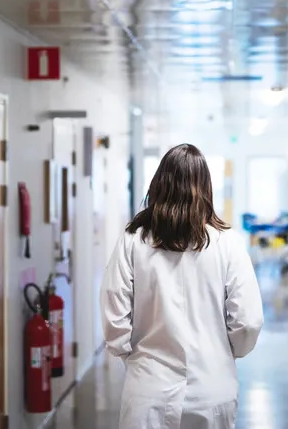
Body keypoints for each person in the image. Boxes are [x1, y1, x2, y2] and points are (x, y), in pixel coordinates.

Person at [101, 143, 264, 429]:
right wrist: (223, 354)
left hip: (147, 390)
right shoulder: (228, 243)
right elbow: (248, 322)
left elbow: (114, 314)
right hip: (213, 389)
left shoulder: (132, 241)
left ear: (158, 185)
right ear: (205, 188)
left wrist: (137, 359)